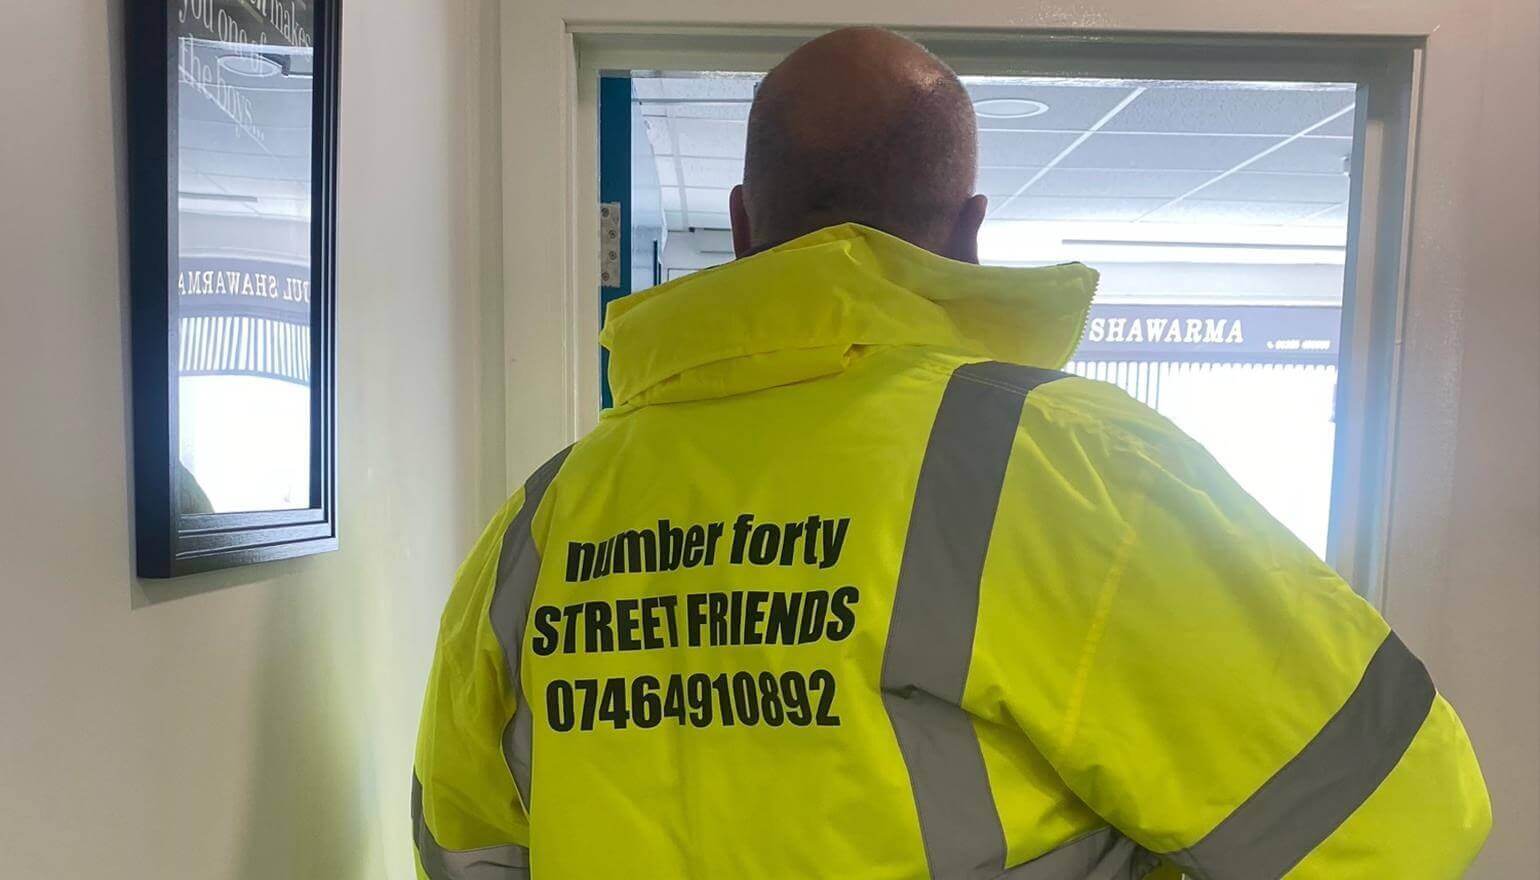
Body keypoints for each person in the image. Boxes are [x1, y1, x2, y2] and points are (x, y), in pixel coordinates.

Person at [412, 27, 1490, 880]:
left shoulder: (545, 517)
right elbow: (1398, 810)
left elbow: (463, 841)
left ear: (742, 226)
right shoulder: (1069, 469)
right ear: (967, 229)